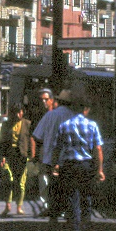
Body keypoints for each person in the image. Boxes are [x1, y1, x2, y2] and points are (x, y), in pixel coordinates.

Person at [52, 92, 104, 231]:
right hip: (86, 165)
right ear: (86, 109)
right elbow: (98, 149)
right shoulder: (92, 125)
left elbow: (57, 148)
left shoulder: (64, 126)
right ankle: (85, 230)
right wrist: (99, 170)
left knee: (71, 198)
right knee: (86, 197)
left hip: (69, 165)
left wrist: (56, 165)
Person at [33, 88, 76, 221]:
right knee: (68, 188)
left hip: (50, 158)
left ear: (58, 101)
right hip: (69, 159)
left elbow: (37, 136)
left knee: (52, 187)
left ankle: (53, 213)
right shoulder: (74, 116)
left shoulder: (50, 115)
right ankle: (67, 212)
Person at [0, 104, 32, 217]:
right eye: (16, 112)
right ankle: (7, 205)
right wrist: (2, 156)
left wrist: (32, 155)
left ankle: (19, 206)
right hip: (9, 155)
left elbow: (31, 140)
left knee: (21, 182)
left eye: (20, 112)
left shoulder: (27, 124)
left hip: (22, 156)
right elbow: (2, 141)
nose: (18, 114)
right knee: (8, 179)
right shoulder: (6, 124)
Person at [27, 89, 55, 211]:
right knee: (43, 179)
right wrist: (34, 154)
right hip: (44, 151)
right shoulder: (38, 116)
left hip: (57, 152)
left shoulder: (57, 114)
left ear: (52, 100)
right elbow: (33, 136)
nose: (43, 102)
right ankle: (46, 205)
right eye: (41, 99)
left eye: (46, 99)